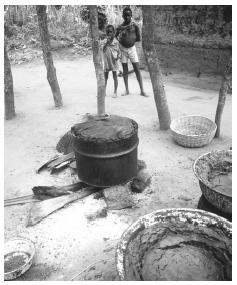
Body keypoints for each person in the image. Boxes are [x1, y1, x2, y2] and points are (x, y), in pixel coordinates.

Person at [115, 7, 148, 97]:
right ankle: (127, 90)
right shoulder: (120, 27)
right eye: (125, 15)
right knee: (125, 70)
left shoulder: (135, 26)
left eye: (129, 15)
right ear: (123, 16)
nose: (127, 17)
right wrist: (121, 39)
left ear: (131, 16)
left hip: (132, 49)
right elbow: (115, 37)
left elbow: (138, 38)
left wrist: (130, 39)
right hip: (123, 50)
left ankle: (142, 90)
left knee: (137, 69)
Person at [102, 25, 120, 98]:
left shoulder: (116, 42)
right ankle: (103, 92)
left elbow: (118, 52)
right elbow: (103, 50)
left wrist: (117, 57)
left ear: (114, 32)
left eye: (111, 32)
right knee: (105, 77)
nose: (109, 33)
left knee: (114, 76)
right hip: (106, 62)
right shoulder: (104, 41)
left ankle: (115, 92)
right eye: (108, 32)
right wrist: (107, 43)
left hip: (113, 61)